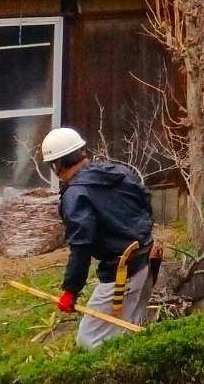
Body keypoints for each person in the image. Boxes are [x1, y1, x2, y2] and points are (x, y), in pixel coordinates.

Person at [40, 127, 157, 349]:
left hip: (123, 273)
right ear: (82, 151)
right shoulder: (116, 171)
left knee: (89, 339)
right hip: (147, 261)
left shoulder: (76, 194)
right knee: (129, 332)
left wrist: (70, 291)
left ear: (56, 166)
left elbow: (81, 246)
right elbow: (145, 200)